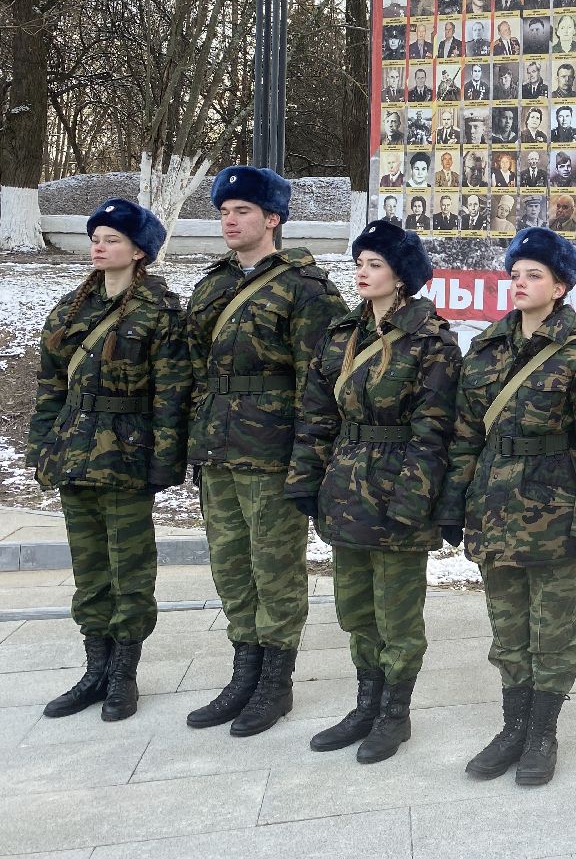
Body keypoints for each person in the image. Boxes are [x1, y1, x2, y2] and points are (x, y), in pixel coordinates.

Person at [443, 229, 576, 785]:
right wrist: (455, 502)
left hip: (554, 515)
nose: (520, 283)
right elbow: (466, 435)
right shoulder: (486, 349)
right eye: (515, 273)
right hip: (494, 510)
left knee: (551, 627)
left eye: (534, 274)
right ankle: (513, 727)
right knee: (507, 627)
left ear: (561, 286)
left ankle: (543, 732)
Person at [286, 222, 458, 763]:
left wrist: (413, 502)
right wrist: (306, 483)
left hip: (399, 488)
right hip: (345, 486)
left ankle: (394, 714)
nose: (361, 272)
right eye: (359, 262)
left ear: (402, 276)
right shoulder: (341, 335)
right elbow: (315, 415)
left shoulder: (431, 341)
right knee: (356, 606)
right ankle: (366, 702)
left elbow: (435, 431)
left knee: (397, 613)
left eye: (375, 264)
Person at [184, 167, 347, 736]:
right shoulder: (212, 285)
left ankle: (276, 683)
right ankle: (244, 672)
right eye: (224, 210)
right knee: (230, 566)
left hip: (272, 451)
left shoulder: (305, 289)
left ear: (272, 218)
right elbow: (194, 370)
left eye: (243, 211)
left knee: (274, 569)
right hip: (219, 450)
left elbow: (318, 385)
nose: (230, 220)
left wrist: (308, 463)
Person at [26, 199, 186, 723]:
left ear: (139, 251)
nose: (99, 245)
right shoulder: (71, 308)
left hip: (127, 457)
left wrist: (166, 461)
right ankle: (95, 669)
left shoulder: (159, 311)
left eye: (112, 238)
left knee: (130, 570)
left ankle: (124, 675)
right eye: (96, 236)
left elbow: (171, 394)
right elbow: (51, 388)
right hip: (74, 454)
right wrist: (41, 448)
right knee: (90, 569)